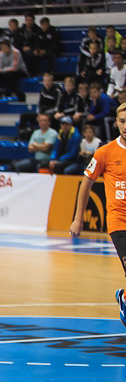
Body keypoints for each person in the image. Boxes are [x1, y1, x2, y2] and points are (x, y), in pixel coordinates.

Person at [70, 102, 126, 326]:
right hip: (119, 221)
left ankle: (123, 297)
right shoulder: (105, 152)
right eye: (122, 121)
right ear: (116, 123)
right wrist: (78, 219)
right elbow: (86, 184)